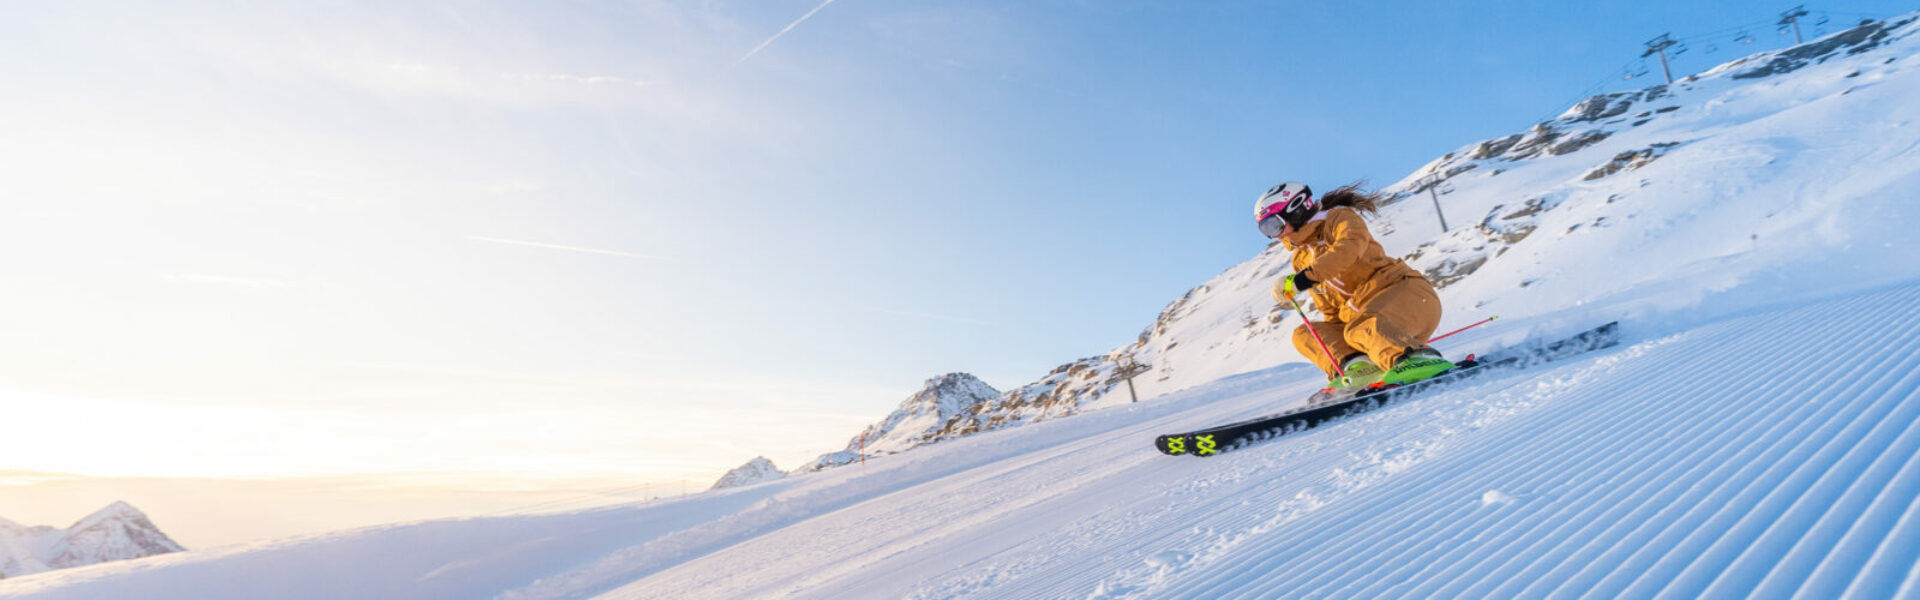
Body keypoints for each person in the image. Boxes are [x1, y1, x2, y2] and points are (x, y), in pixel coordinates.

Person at [1256, 181, 1455, 390]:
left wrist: (1304, 279)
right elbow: (1331, 312)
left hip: (1409, 297)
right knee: (1304, 335)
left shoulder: (1339, 219)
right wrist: (1338, 347)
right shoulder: (1301, 259)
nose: (1274, 235)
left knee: (1359, 326)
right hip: (1368, 327)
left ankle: (1416, 359)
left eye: (1273, 225)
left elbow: (1348, 250)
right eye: (1266, 230)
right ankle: (1360, 368)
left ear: (1295, 209)